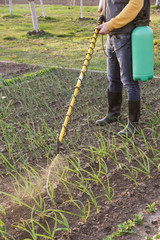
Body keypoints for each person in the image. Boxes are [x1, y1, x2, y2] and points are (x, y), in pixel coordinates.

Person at [95, 0, 150, 137]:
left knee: (129, 81)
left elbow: (135, 5)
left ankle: (133, 124)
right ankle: (113, 114)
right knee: (113, 78)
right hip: (112, 35)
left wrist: (110, 24)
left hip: (127, 34)